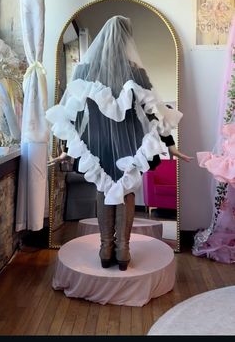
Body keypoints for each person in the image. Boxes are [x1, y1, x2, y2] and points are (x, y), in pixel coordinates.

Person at [46, 15, 193, 271]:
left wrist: (66, 149)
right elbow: (153, 114)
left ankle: (106, 248)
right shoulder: (136, 72)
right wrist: (169, 144)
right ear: (127, 39)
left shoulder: (83, 70)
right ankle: (123, 250)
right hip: (130, 139)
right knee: (126, 190)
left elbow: (73, 114)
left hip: (96, 140)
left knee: (103, 189)